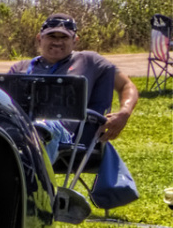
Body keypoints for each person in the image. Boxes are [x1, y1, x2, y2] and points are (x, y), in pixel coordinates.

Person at [8, 14, 138, 141]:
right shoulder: (20, 68)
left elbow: (126, 85)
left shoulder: (89, 61)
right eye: (51, 36)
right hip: (20, 127)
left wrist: (124, 113)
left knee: (41, 129)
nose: (57, 42)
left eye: (64, 37)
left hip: (62, 135)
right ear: (39, 39)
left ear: (75, 41)